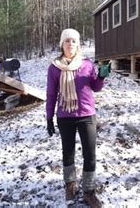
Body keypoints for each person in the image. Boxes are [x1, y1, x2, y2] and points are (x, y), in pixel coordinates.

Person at [46, 28, 109, 207]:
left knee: (90, 154)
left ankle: (89, 191)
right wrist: (49, 117)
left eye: (74, 41)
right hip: (65, 116)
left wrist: (102, 76)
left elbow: (95, 87)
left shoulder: (86, 64)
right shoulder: (54, 67)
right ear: (62, 44)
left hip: (87, 115)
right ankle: (70, 185)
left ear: (78, 44)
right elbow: (51, 94)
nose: (70, 44)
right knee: (68, 153)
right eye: (67, 41)